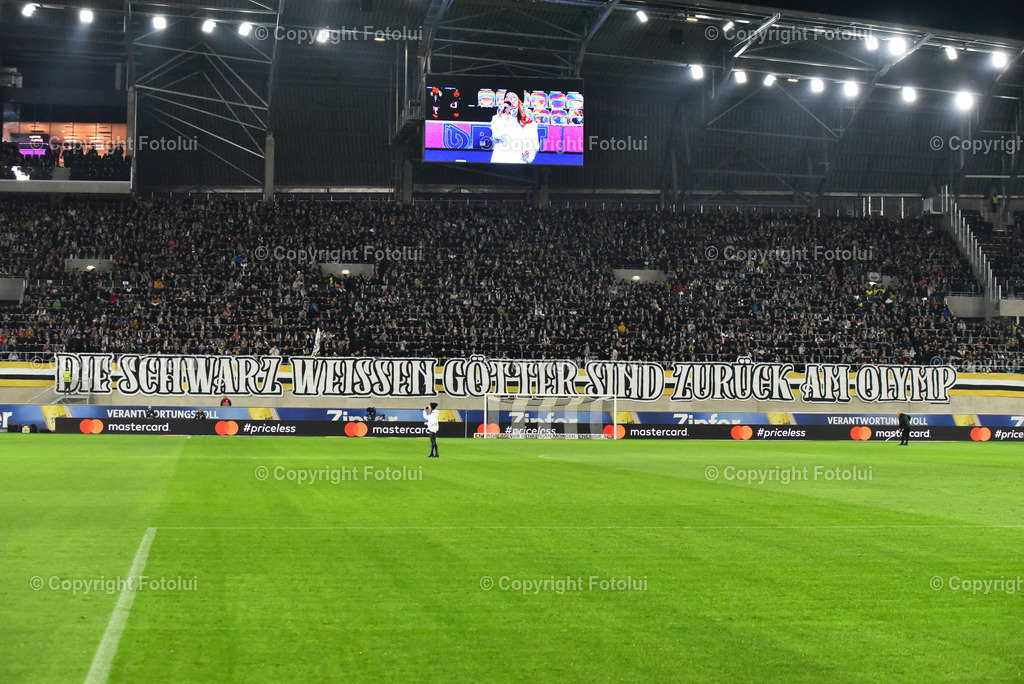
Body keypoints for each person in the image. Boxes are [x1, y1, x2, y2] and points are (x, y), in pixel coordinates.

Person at [489, 92, 539, 164]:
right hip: (500, 159)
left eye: (513, 97)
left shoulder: (528, 122)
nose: (510, 100)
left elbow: (534, 143)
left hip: (518, 161)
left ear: (520, 101)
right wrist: (503, 115)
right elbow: (497, 136)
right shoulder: (497, 119)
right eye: (507, 97)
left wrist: (529, 154)